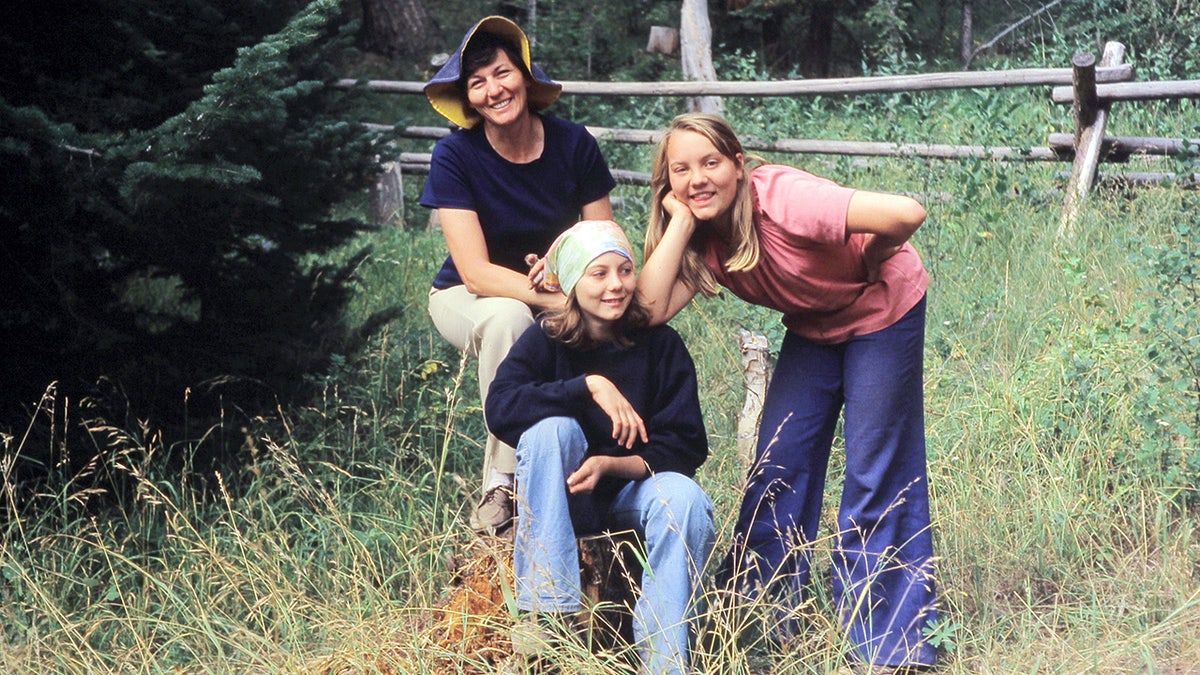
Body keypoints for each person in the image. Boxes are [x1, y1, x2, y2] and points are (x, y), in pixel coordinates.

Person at [637, 113, 937, 671]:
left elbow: (906, 212)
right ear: (666, 183)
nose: (698, 179)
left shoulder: (784, 199)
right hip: (815, 324)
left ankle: (891, 646)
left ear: (739, 167)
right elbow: (648, 311)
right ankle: (760, 625)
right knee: (778, 464)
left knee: (874, 470)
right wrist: (679, 223)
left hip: (882, 309)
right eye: (681, 170)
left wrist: (870, 257)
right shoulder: (704, 239)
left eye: (711, 163)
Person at [485, 220, 715, 674]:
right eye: (599, 274)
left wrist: (613, 464)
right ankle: (548, 618)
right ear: (572, 282)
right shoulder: (547, 338)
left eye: (626, 271)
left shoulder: (660, 344)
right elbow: (502, 408)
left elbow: (686, 444)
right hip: (562, 498)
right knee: (552, 430)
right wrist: (587, 386)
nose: (616, 286)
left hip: (632, 494)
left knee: (685, 500)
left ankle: (666, 659)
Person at [420, 16, 616, 534]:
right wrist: (562, 303)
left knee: (612, 326)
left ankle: (602, 470)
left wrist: (564, 261)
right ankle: (502, 484)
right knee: (509, 317)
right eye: (476, 83)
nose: (492, 90)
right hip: (467, 296)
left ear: (525, 78)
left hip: (554, 290)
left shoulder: (574, 144)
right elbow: (477, 273)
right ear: (466, 97)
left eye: (501, 73)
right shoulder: (455, 155)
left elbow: (604, 242)